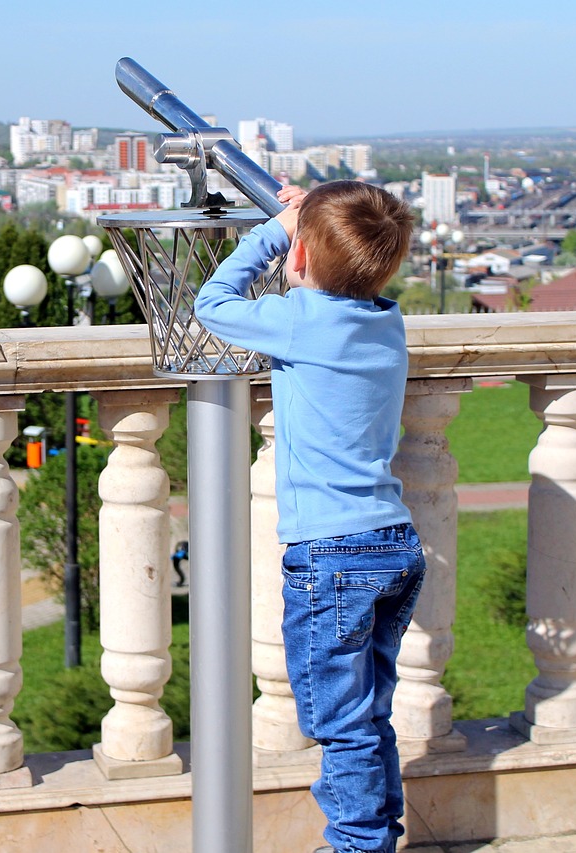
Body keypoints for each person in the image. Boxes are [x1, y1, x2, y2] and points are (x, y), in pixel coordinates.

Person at [193, 181, 425, 853]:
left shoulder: (300, 319)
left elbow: (213, 303)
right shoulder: (387, 319)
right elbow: (345, 262)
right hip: (393, 543)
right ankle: (374, 835)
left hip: (334, 552)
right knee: (369, 712)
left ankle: (357, 845)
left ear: (297, 256)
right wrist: (311, 224)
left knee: (338, 720)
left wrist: (276, 227)